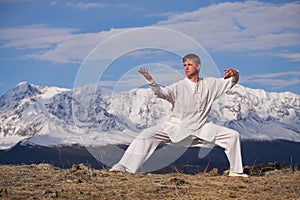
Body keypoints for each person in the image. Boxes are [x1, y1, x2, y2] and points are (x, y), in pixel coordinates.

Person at [110, 53, 248, 177]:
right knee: (147, 134)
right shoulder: (178, 87)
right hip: (176, 128)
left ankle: (236, 171)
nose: (186, 68)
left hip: (202, 128)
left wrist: (235, 74)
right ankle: (124, 167)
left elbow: (230, 82)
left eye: (189, 65)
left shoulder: (211, 84)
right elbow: (161, 93)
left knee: (232, 136)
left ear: (198, 67)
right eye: (184, 65)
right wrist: (151, 81)